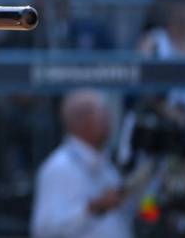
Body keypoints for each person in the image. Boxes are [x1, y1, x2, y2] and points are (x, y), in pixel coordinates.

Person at [31, 90, 135, 238]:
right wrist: (92, 208)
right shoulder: (59, 167)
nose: (108, 120)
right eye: (102, 115)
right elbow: (43, 230)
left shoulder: (106, 165)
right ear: (81, 120)